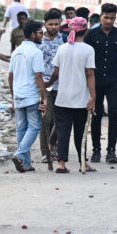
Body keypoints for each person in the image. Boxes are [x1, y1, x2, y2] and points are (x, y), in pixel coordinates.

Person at [85, 3, 117, 164]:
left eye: (112, 18)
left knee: (114, 114)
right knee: (96, 115)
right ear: (100, 17)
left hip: (114, 81)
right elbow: (85, 60)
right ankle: (96, 149)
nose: (109, 21)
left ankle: (111, 150)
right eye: (106, 18)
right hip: (95, 81)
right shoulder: (91, 35)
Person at [48, 15, 95, 173]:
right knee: (80, 132)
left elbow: (56, 72)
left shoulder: (63, 48)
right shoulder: (88, 50)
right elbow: (90, 74)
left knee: (63, 132)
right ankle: (83, 162)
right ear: (86, 31)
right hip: (81, 99)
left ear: (70, 30)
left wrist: (48, 84)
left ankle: (61, 163)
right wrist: (93, 97)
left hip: (62, 98)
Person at [9, 18, 47, 172]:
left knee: (21, 129)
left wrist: (13, 96)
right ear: (32, 34)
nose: (42, 36)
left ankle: (25, 163)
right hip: (31, 95)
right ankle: (19, 154)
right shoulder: (36, 52)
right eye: (40, 33)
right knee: (35, 126)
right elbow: (39, 77)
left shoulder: (16, 51)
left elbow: (10, 77)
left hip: (18, 95)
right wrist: (44, 97)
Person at [37, 9, 65, 168]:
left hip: (62, 84)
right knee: (45, 120)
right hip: (45, 85)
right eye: (50, 24)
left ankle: (53, 144)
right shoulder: (40, 42)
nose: (54, 27)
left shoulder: (65, 40)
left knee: (59, 119)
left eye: (56, 24)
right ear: (45, 24)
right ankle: (45, 151)